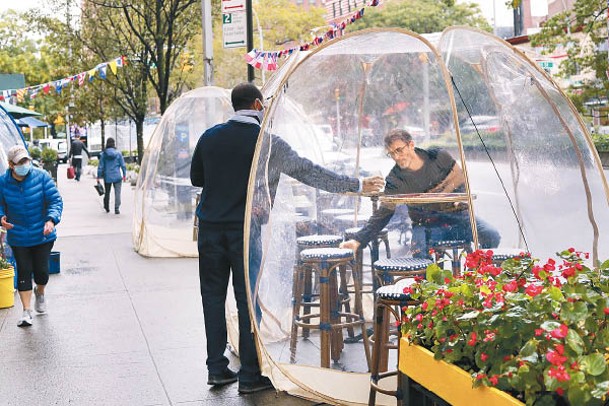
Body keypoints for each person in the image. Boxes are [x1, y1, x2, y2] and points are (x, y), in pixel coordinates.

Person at [190, 83, 383, 394]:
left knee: (211, 298)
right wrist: (357, 185)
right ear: (256, 105)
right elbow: (310, 172)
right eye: (263, 105)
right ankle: (250, 375)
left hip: (210, 230)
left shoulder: (210, 137)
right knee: (246, 301)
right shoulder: (268, 143)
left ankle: (216, 368)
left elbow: (197, 178)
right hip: (244, 230)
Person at [341, 128, 500, 258]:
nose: (397, 157)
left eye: (399, 150)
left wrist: (437, 198)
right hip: (427, 225)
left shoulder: (438, 156)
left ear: (411, 145)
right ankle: (430, 295)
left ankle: (477, 280)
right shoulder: (395, 180)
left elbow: (460, 179)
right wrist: (358, 240)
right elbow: (383, 214)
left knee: (491, 235)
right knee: (419, 257)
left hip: (459, 219)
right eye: (391, 153)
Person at [0, 145, 63, 327]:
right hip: (18, 235)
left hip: (43, 234)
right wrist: (1, 217)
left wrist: (51, 220)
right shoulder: (3, 182)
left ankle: (40, 292)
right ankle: (26, 311)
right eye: (20, 162)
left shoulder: (41, 176)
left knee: (42, 272)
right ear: (11, 165)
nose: (24, 164)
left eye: (26, 160)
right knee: (24, 271)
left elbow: (55, 200)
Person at [97, 138, 127, 214]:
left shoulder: (104, 154)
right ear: (114, 144)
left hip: (107, 176)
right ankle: (117, 208)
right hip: (117, 176)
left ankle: (106, 207)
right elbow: (123, 165)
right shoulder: (118, 153)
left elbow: (101, 166)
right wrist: (124, 175)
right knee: (117, 193)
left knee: (107, 192)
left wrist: (98, 176)